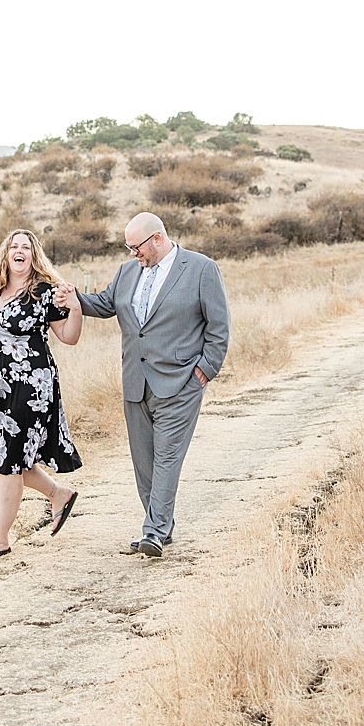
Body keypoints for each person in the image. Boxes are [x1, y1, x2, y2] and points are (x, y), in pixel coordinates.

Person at [69, 211, 230, 559]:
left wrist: (204, 372)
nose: (132, 254)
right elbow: (104, 304)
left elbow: (219, 328)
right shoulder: (128, 272)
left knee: (167, 458)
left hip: (181, 383)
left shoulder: (202, 269)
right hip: (135, 384)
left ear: (157, 238)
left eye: (136, 246)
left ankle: (154, 530)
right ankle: (160, 525)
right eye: (128, 247)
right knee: (144, 461)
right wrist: (72, 297)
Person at [0, 228, 83, 563]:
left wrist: (75, 307)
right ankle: (59, 494)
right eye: (14, 246)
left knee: (8, 460)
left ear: (33, 255)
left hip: (30, 389)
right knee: (6, 456)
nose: (19, 251)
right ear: (6, 254)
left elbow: (69, 337)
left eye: (26, 247)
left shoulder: (44, 293)